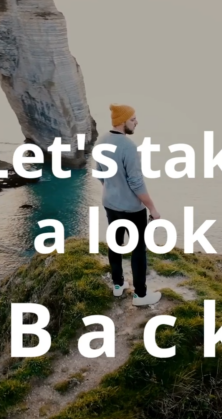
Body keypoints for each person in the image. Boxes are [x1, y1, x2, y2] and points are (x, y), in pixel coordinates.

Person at [96, 104, 162, 306]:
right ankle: (140, 296)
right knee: (138, 248)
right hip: (132, 208)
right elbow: (136, 183)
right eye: (133, 119)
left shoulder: (101, 141)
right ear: (122, 121)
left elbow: (100, 174)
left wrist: (114, 190)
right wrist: (152, 208)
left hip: (110, 203)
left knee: (115, 243)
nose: (136, 122)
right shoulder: (129, 147)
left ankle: (118, 285)